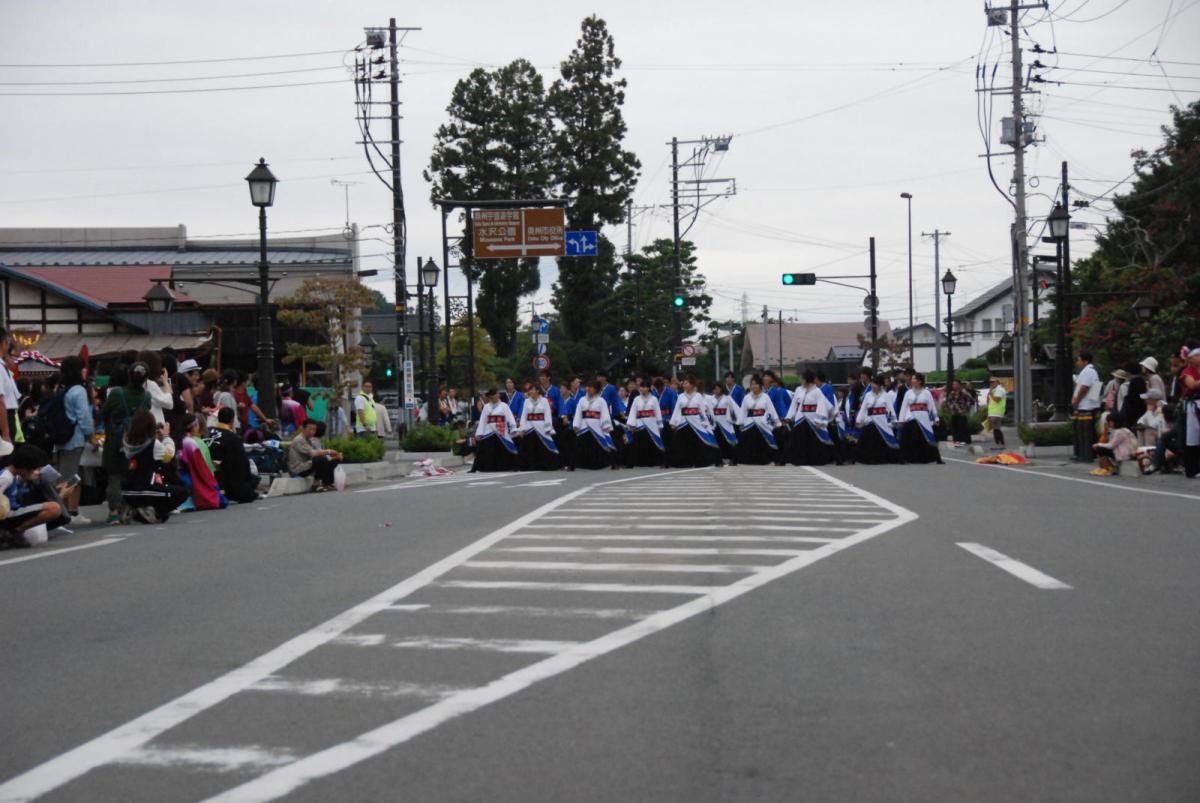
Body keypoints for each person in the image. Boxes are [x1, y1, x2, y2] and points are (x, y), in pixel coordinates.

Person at [101, 362, 152, 525]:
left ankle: (114, 512)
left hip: (115, 442)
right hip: (136, 442)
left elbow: (104, 413)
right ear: (146, 379)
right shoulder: (146, 397)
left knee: (114, 478)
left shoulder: (117, 394)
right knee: (130, 476)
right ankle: (128, 508)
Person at [120, 411, 187, 523]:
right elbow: (169, 455)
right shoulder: (153, 445)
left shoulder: (126, 441)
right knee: (182, 492)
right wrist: (166, 436)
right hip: (144, 489)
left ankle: (133, 507)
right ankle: (152, 512)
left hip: (126, 490)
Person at [0, 445, 67, 549]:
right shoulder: (6, 478)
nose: (36, 472)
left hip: (12, 511)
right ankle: (13, 532)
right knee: (54, 508)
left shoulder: (11, 476)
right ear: (25, 467)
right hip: (8, 514)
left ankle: (12, 532)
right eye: (34, 468)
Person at [207, 407, 261, 503]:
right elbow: (242, 464)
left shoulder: (208, 432)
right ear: (232, 420)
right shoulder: (233, 438)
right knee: (252, 481)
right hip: (226, 480)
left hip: (208, 475)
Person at [667, 374, 722, 468]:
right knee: (680, 443)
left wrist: (705, 423)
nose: (684, 385)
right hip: (684, 421)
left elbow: (701, 411)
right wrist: (673, 422)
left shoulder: (698, 396)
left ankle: (701, 461)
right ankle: (683, 462)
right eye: (683, 383)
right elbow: (677, 410)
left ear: (692, 385)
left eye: (686, 383)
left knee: (700, 443)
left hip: (696, 421)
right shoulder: (680, 396)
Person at [783, 371, 835, 466]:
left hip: (813, 418)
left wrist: (820, 420)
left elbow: (822, 406)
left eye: (802, 378)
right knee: (797, 440)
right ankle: (796, 459)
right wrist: (789, 417)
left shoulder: (817, 391)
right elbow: (794, 404)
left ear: (807, 380)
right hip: (801, 417)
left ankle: (814, 459)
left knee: (813, 442)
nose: (800, 380)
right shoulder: (799, 389)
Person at [570, 381, 617, 471]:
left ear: (596, 389)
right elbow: (578, 413)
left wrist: (606, 425)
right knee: (579, 446)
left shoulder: (601, 401)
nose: (588, 389)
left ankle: (604, 464)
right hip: (584, 426)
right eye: (587, 387)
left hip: (597, 426)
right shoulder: (582, 400)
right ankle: (577, 465)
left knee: (600, 445)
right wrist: (576, 425)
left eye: (591, 387)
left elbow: (605, 413)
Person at [854, 374, 901, 464]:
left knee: (884, 439)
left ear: (880, 385)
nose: (873, 386)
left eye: (875, 384)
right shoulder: (868, 395)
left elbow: (890, 409)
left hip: (882, 420)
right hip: (871, 420)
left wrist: (893, 421)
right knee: (869, 437)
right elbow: (863, 408)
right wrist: (858, 420)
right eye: (872, 384)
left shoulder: (885, 395)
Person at [898, 373, 944, 464]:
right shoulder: (908, 393)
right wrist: (901, 419)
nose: (912, 380)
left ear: (919, 381)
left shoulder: (927, 393)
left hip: (924, 417)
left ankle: (931, 458)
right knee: (908, 438)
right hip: (911, 417)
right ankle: (907, 458)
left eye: (914, 379)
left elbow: (931, 406)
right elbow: (904, 407)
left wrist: (936, 418)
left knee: (927, 437)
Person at [736, 375, 782, 466]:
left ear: (760, 385)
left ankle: (766, 459)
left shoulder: (765, 397)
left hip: (762, 422)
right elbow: (743, 411)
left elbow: (771, 410)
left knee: (764, 442)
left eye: (756, 384)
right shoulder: (746, 397)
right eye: (752, 384)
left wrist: (777, 422)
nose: (754, 386)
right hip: (750, 422)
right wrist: (740, 423)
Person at [472, 388, 519, 472]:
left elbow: (510, 418)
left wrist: (513, 428)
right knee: (485, 448)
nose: (496, 396)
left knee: (506, 448)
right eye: (494, 394)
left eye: (497, 394)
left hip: (501, 430)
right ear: (490, 397)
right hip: (489, 431)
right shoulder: (486, 407)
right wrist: (479, 433)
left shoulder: (504, 406)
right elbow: (483, 421)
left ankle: (508, 466)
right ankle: (486, 467)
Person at [288, 420, 342, 491]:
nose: (312, 431)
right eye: (310, 429)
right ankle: (316, 484)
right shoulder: (299, 440)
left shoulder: (308, 440)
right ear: (303, 429)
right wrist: (329, 451)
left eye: (314, 429)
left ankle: (326, 483)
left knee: (330, 461)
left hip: (306, 465)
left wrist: (333, 456)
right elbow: (314, 453)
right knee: (320, 459)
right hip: (297, 469)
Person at [515, 383, 559, 471]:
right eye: (530, 390)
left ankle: (544, 465)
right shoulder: (527, 401)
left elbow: (547, 415)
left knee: (543, 447)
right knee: (529, 447)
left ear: (538, 391)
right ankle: (529, 466)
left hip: (541, 427)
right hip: (530, 427)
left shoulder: (544, 401)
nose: (530, 391)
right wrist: (522, 428)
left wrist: (548, 427)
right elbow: (524, 415)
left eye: (532, 389)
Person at [626, 381, 666, 467]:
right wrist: (631, 424)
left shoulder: (654, 399)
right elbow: (633, 412)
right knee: (641, 443)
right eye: (641, 387)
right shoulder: (636, 399)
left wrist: (659, 425)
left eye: (644, 387)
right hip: (640, 423)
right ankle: (641, 462)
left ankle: (655, 461)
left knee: (653, 442)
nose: (642, 389)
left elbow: (657, 412)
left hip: (652, 423)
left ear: (648, 388)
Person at [1071, 351, 1102, 462]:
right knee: (1084, 432)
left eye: (1079, 360)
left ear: (1085, 361)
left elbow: (1084, 388)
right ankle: (1085, 454)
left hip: (1087, 406)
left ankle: (1087, 455)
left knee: (1086, 433)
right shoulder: (1085, 371)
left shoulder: (1089, 371)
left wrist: (1076, 401)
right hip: (1084, 405)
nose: (1077, 362)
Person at [709, 382, 741, 466]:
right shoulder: (710, 399)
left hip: (725, 422)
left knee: (731, 441)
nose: (716, 390)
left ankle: (733, 459)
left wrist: (738, 420)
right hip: (715, 423)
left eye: (718, 388)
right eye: (714, 388)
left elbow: (734, 409)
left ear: (721, 389)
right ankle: (718, 460)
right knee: (717, 442)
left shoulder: (727, 398)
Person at [1180, 346, 1200, 478]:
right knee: (1193, 438)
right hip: (1193, 406)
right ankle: (1192, 469)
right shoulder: (1187, 371)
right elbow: (1192, 385)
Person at [944, 379, 974, 446]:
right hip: (954, 412)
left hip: (962, 412)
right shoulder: (952, 393)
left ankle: (964, 440)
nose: (953, 386)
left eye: (955, 384)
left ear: (959, 385)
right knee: (954, 426)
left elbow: (971, 400)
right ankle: (956, 440)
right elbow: (948, 401)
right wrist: (950, 406)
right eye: (953, 384)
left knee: (962, 426)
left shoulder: (964, 392)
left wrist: (965, 408)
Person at [985, 376, 1007, 447]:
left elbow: (997, 399)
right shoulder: (994, 390)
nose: (991, 383)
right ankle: (998, 443)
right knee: (995, 429)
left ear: (997, 382)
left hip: (997, 412)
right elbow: (989, 402)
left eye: (993, 382)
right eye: (990, 382)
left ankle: (1000, 443)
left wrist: (991, 393)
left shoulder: (999, 389)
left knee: (996, 428)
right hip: (992, 412)